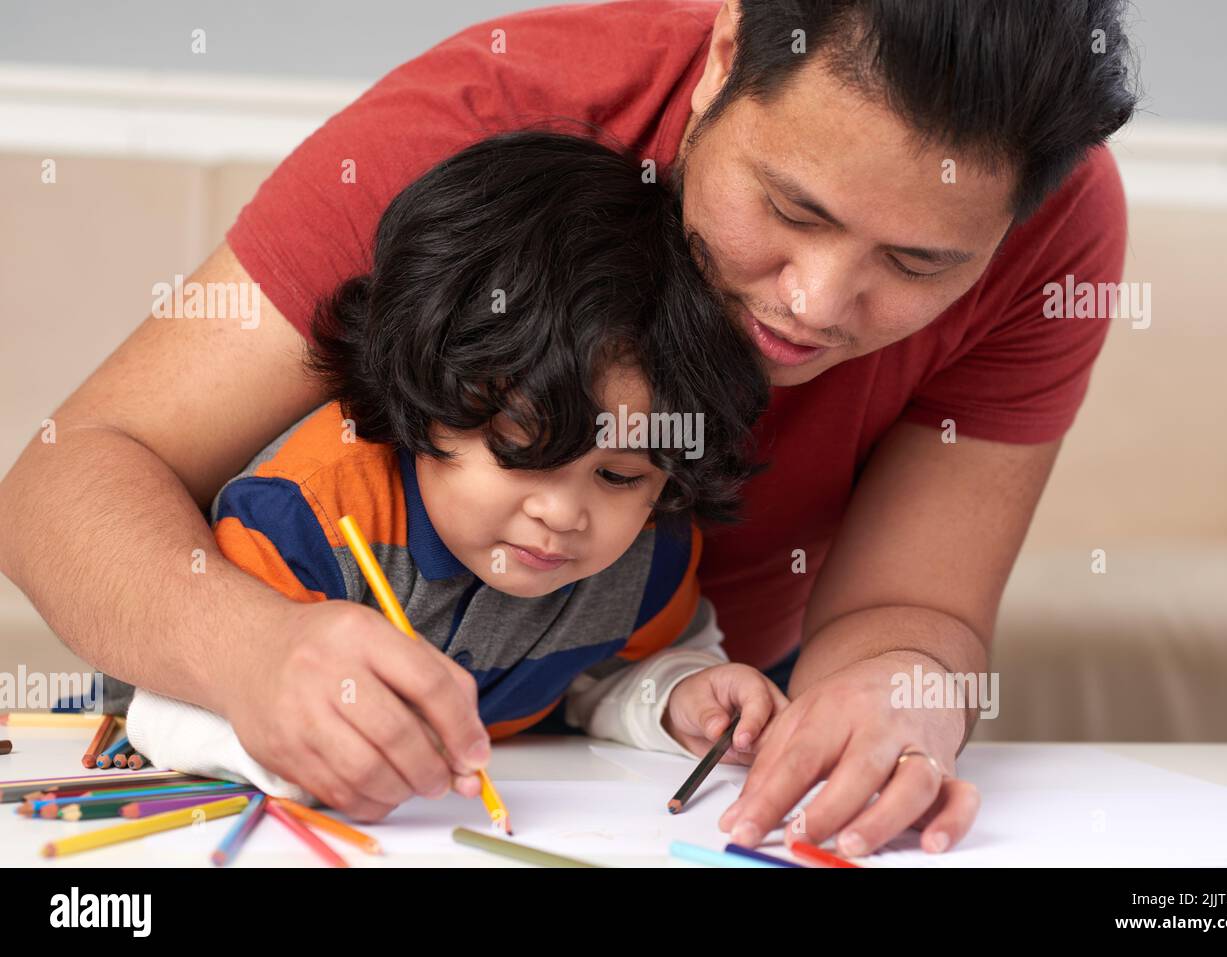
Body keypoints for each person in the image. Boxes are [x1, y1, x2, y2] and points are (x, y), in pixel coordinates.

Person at [0, 0, 1138, 856]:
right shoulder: (490, 123)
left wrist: (902, 699)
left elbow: (915, 613)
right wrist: (253, 654)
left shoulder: (1057, 227)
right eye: (791, 210)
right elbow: (64, 484)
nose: (814, 303)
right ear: (726, 58)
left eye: (917, 262)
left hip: (678, 710)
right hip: (302, 680)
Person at [119, 130, 783, 801]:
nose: (561, 512)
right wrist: (322, 746)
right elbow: (168, 707)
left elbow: (599, 678)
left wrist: (678, 694)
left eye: (618, 475)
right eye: (524, 450)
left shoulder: (647, 553)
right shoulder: (304, 513)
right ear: (427, 388)